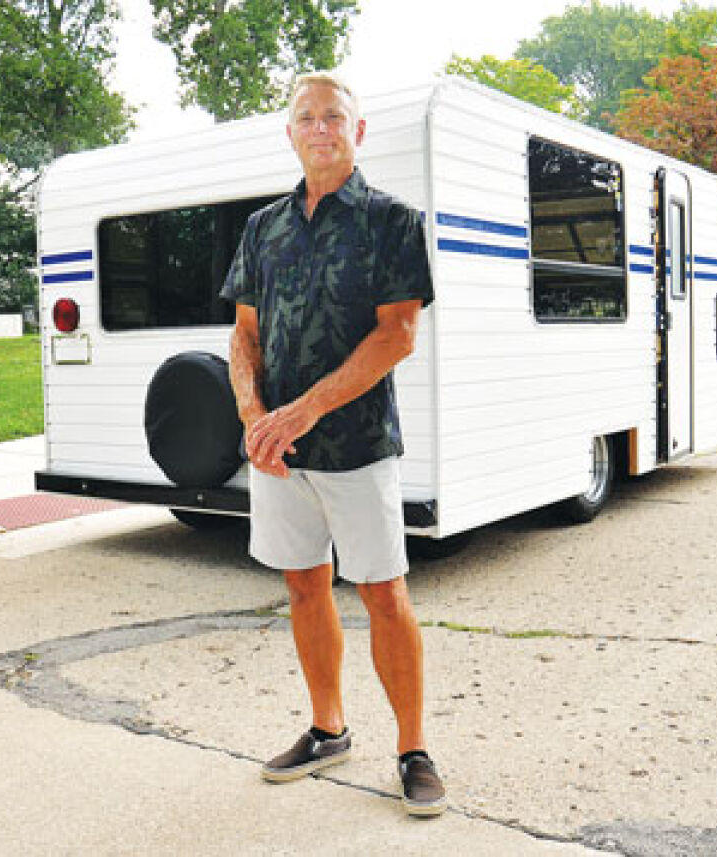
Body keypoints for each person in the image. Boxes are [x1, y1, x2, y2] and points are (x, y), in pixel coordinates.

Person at [220, 71, 445, 817]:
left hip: (357, 445)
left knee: (384, 592)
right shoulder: (263, 229)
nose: (320, 127)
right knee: (304, 584)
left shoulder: (391, 221)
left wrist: (303, 411)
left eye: (334, 117)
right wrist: (257, 416)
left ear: (358, 131)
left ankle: (413, 748)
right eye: (306, 118)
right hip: (280, 454)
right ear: (290, 133)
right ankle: (328, 729)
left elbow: (397, 335)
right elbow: (244, 335)